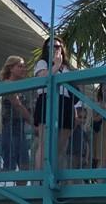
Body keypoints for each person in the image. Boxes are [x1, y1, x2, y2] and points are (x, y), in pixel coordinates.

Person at [31, 38, 77, 174]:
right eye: (50, 46)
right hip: (47, 99)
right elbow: (42, 78)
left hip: (65, 103)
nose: (55, 49)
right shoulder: (42, 63)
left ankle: (54, 173)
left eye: (57, 46)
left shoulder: (67, 67)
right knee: (44, 143)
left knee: (60, 147)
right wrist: (56, 66)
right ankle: (41, 177)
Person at [0, 54, 32, 172]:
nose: (23, 69)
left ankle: (18, 190)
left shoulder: (21, 86)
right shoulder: (7, 84)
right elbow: (17, 105)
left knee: (25, 166)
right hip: (8, 126)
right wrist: (34, 123)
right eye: (20, 66)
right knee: (9, 166)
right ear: (11, 68)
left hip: (19, 127)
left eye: (24, 66)